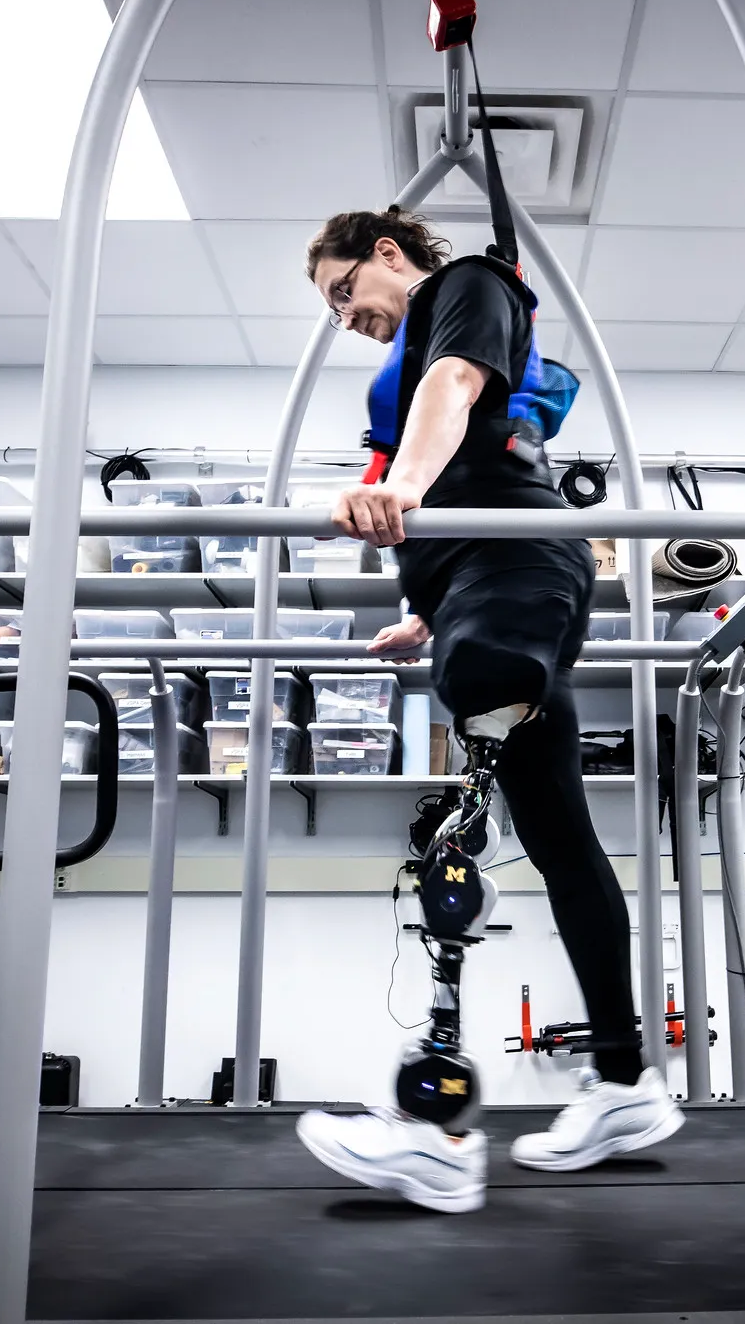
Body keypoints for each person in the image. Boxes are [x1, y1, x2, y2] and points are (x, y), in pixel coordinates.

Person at [292, 208, 680, 1212]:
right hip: (483, 584)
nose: (346, 318)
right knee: (556, 839)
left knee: (478, 744)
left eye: (343, 291)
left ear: (386, 253)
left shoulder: (460, 285)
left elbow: (452, 387)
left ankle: (434, 1136)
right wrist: (428, 615)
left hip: (512, 567)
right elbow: (452, 469)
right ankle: (627, 1081)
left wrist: (401, 491)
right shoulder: (416, 330)